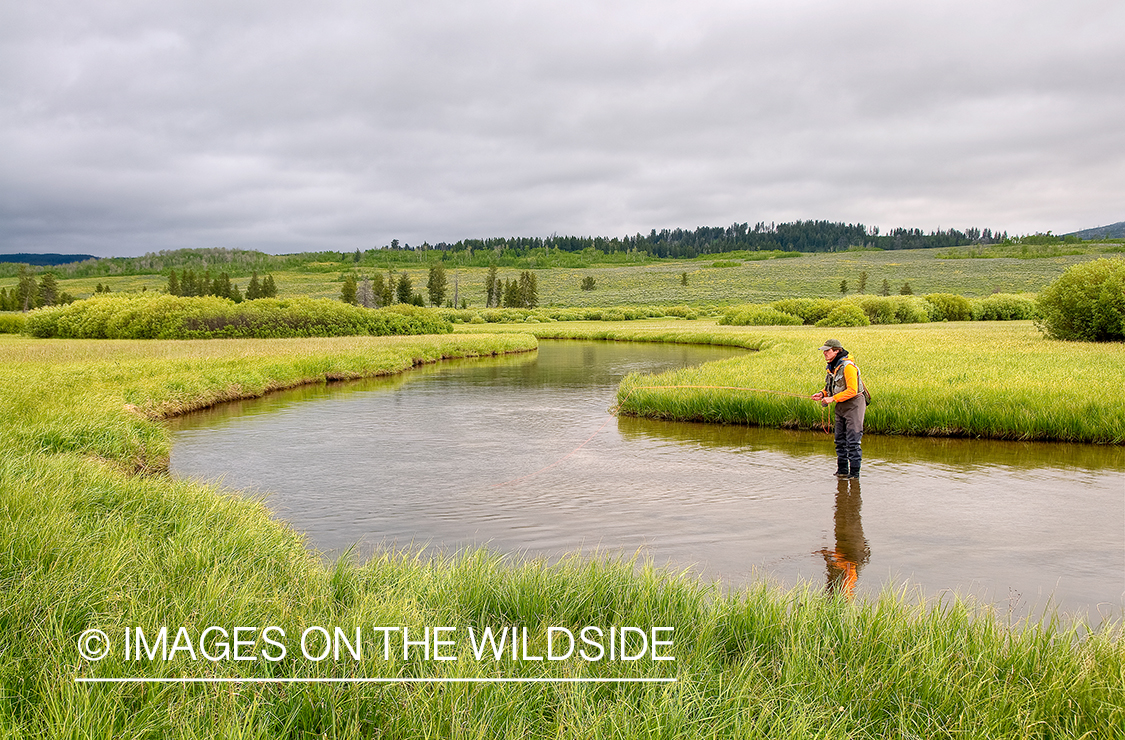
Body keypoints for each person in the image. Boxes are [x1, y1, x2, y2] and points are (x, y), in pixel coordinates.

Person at [811, 339, 867, 478]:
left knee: (853, 442)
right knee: (839, 440)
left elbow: (852, 390)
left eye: (827, 350)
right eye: (824, 350)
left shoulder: (848, 367)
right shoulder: (832, 367)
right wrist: (822, 394)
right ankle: (842, 472)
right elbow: (831, 387)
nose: (824, 353)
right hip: (841, 405)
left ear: (837, 351)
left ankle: (854, 475)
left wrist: (832, 398)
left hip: (854, 405)